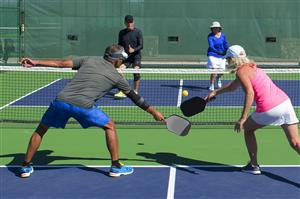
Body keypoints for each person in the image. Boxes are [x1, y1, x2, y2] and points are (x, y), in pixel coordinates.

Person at [19, 44, 164, 178]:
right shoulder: (117, 77)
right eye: (121, 59)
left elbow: (61, 64)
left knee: (41, 129)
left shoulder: (88, 60)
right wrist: (153, 112)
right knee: (110, 126)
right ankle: (115, 166)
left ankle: (25, 166)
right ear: (115, 60)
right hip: (83, 106)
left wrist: (35, 62)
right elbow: (135, 98)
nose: (122, 62)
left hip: (61, 101)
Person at [206, 45, 300, 174]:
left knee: (248, 129)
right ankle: (253, 164)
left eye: (228, 59)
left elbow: (250, 93)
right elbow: (233, 86)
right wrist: (216, 92)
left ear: (233, 59)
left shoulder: (241, 72)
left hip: (270, 108)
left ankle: (254, 165)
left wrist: (243, 118)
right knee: (296, 143)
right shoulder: (253, 67)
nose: (227, 62)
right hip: (285, 103)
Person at [114, 15, 143, 98]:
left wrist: (133, 50)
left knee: (136, 71)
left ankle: (135, 91)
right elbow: (119, 45)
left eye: (131, 22)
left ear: (133, 22)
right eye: (128, 23)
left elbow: (141, 45)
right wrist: (117, 52)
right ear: (125, 23)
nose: (130, 24)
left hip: (136, 56)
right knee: (119, 71)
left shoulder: (138, 32)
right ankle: (125, 90)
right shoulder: (121, 33)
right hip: (126, 58)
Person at [206, 21, 229, 91]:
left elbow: (225, 43)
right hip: (212, 55)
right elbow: (211, 46)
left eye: (216, 28)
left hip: (222, 55)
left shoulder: (223, 35)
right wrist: (218, 52)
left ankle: (218, 78)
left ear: (219, 28)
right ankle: (212, 85)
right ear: (212, 29)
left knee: (222, 71)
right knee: (214, 71)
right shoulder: (210, 36)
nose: (215, 29)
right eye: (213, 28)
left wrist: (227, 50)